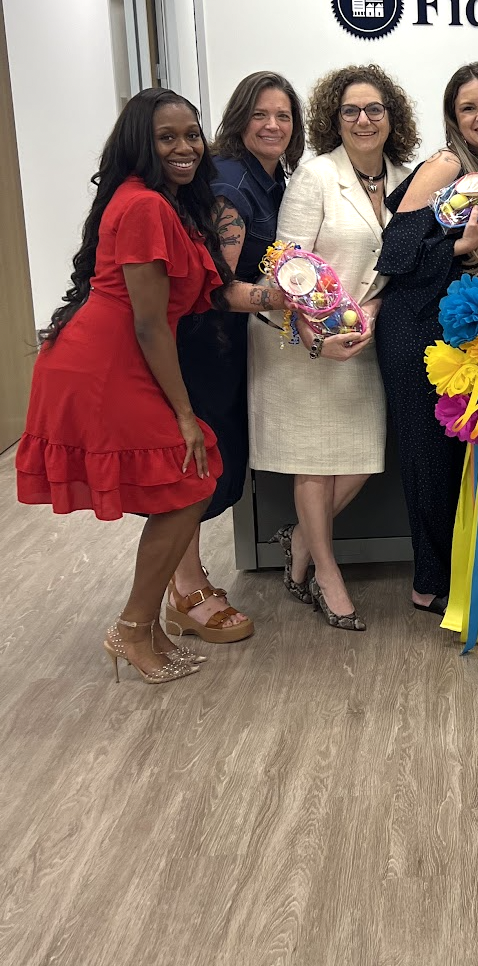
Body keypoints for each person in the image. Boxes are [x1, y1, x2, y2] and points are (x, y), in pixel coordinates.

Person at [16, 88, 261, 682]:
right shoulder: (146, 206)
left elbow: (200, 296)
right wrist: (184, 414)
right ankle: (132, 627)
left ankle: (145, 624)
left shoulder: (159, 201)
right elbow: (150, 324)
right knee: (190, 475)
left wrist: (283, 297)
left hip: (114, 354)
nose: (185, 148)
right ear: (139, 145)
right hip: (105, 363)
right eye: (166, 138)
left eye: (192, 135)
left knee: (185, 484)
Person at [248, 64, 415, 631]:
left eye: (374, 109)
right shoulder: (316, 176)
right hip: (307, 342)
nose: (364, 120)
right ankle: (326, 572)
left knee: (363, 458)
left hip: (366, 336)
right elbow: (288, 264)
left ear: (391, 117)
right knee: (315, 465)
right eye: (350, 111)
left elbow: (403, 267)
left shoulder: (406, 179)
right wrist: (315, 331)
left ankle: (298, 540)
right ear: (334, 119)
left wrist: (374, 313)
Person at [168, 71, 305, 644]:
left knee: (217, 465)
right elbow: (215, 288)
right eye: (260, 115)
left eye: (283, 116)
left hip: (233, 342)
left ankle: (186, 579)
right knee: (198, 468)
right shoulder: (229, 182)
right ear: (238, 119)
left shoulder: (271, 177)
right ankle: (185, 590)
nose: (273, 125)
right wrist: (296, 298)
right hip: (206, 345)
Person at [375, 63, 478, 616]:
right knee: (429, 460)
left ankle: (460, 574)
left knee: (458, 460)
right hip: (416, 329)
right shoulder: (448, 165)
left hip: (457, 332)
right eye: (467, 108)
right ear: (453, 118)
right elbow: (395, 251)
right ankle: (428, 584)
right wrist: (462, 245)